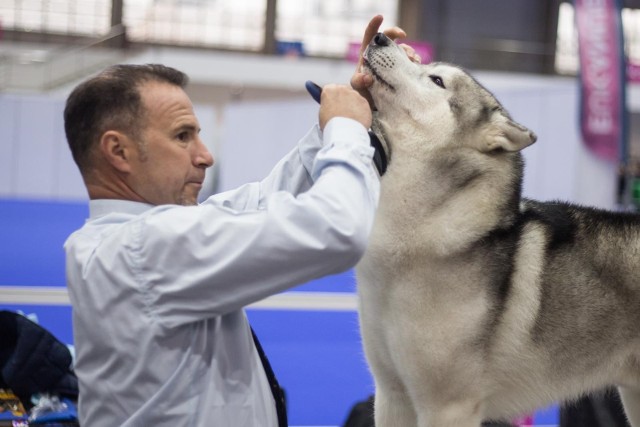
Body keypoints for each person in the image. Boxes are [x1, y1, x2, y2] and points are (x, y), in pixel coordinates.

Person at [63, 15, 417, 427]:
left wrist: (358, 108)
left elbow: (268, 201)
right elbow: (337, 228)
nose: (205, 155)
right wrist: (347, 129)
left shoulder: (135, 239)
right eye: (182, 136)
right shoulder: (142, 249)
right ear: (118, 152)